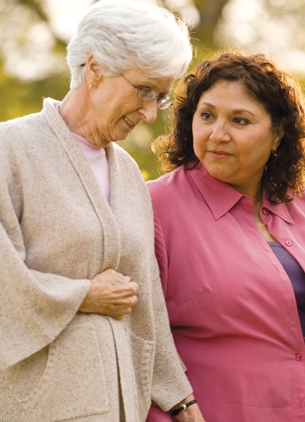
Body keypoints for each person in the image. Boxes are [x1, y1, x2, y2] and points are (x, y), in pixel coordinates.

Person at [0, 1, 205, 421]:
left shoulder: (128, 172)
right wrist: (81, 296)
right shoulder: (10, 150)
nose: (149, 113)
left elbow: (145, 299)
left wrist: (180, 399)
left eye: (160, 98)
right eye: (144, 90)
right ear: (94, 69)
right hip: (38, 407)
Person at [146, 50, 305, 422]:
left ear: (278, 132)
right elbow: (141, 341)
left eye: (240, 120)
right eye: (206, 115)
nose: (217, 135)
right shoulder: (155, 206)